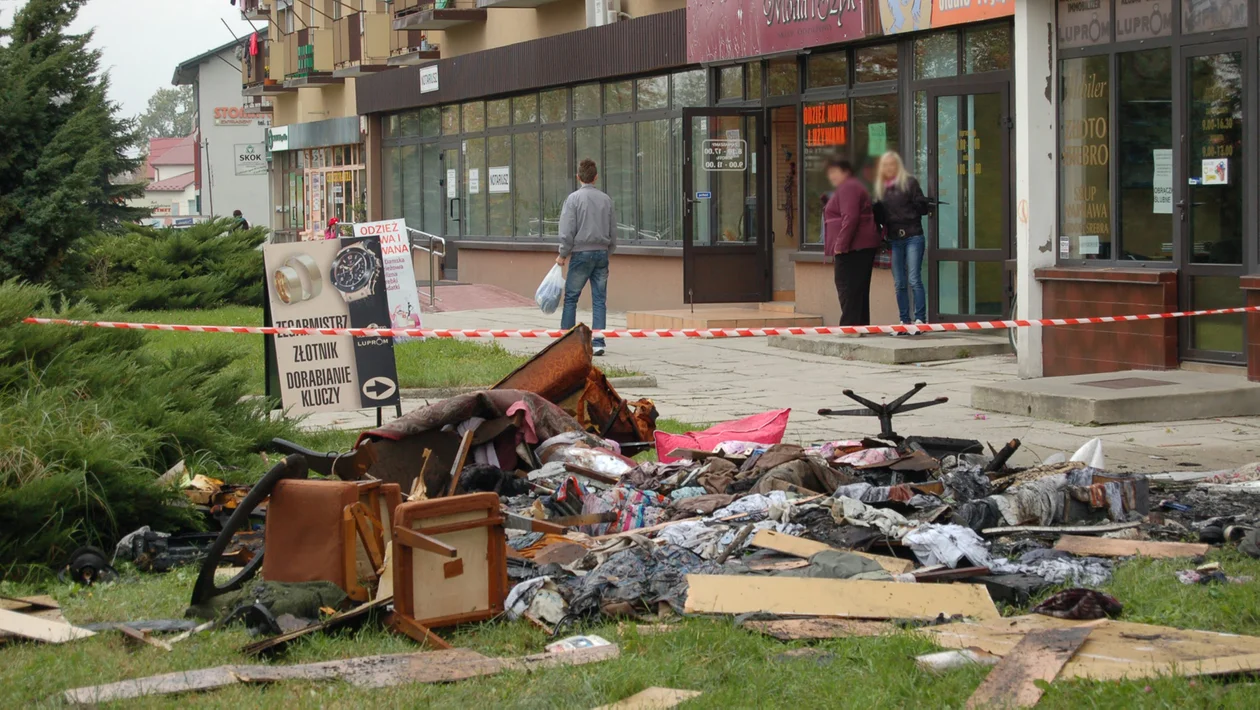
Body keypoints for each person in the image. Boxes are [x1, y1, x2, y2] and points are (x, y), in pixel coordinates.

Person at [557, 158, 616, 356]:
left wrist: (563, 254)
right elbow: (613, 229)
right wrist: (609, 251)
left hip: (581, 253)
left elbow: (567, 230)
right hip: (601, 253)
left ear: (578, 177)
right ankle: (598, 342)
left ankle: (567, 340)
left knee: (571, 297)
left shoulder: (573, 199)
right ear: (596, 177)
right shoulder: (606, 199)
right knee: (599, 299)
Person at [873, 151, 931, 335]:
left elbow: (922, 209)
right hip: (895, 238)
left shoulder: (910, 182)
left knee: (914, 279)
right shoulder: (881, 188)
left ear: (898, 166)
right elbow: (880, 216)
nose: (889, 168)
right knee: (899, 282)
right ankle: (904, 322)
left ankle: (920, 320)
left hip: (913, 235)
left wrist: (922, 203)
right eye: (886, 165)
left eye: (892, 164)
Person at [823, 157, 881, 333]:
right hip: (858, 247)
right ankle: (859, 327)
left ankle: (849, 328)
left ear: (846, 172)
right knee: (857, 290)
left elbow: (851, 217)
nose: (831, 176)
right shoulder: (850, 187)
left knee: (848, 288)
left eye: (835, 172)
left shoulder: (849, 187)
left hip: (853, 248)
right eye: (829, 173)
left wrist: (841, 245)